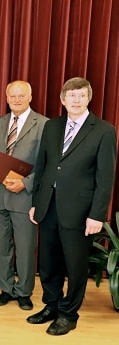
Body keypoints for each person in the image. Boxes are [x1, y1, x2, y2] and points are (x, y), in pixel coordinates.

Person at [27, 77, 117, 336]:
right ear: (62, 99)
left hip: (80, 213)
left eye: (81, 96)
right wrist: (36, 202)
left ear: (88, 99)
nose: (76, 100)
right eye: (71, 96)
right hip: (48, 207)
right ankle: (51, 306)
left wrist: (97, 215)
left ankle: (68, 314)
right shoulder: (52, 126)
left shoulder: (103, 130)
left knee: (75, 266)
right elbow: (43, 166)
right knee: (47, 263)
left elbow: (105, 178)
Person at [0, 81, 48, 310]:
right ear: (6, 97)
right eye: (12, 96)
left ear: (30, 96)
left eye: (21, 95)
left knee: (24, 248)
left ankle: (24, 291)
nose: (17, 99)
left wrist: (26, 183)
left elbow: (46, 164)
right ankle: (5, 288)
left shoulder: (44, 124)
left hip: (25, 196)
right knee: (0, 246)